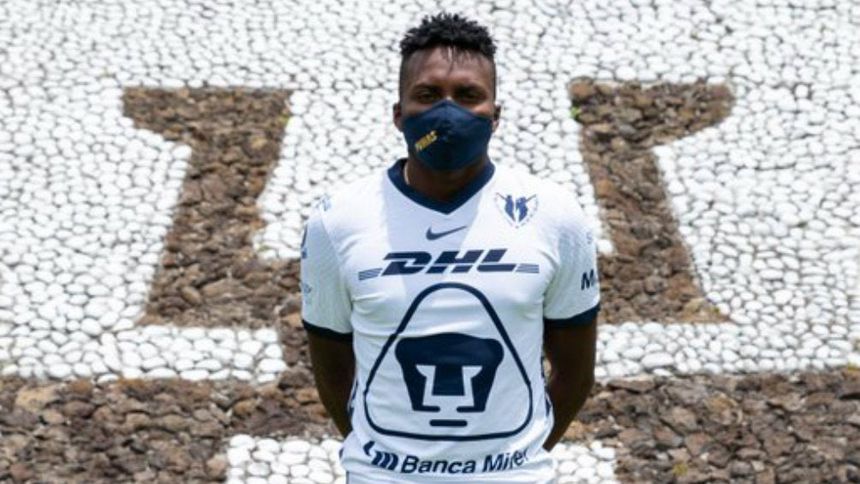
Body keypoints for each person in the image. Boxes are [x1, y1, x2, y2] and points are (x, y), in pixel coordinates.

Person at [300, 12, 600, 483]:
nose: (447, 112)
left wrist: (514, 461)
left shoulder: (555, 215)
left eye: (467, 95)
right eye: (427, 95)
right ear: (398, 114)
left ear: (495, 116)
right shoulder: (337, 221)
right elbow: (332, 368)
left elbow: (575, 372)